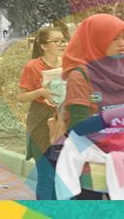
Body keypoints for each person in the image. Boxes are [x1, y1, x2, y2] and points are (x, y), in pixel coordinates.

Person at [47, 14, 124, 199]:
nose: (122, 42)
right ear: (95, 41)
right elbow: (78, 127)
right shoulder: (80, 77)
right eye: (114, 38)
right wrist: (114, 115)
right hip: (90, 150)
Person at [17, 27, 66, 200]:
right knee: (47, 176)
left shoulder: (68, 63)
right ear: (44, 46)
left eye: (63, 40)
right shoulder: (33, 66)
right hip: (40, 123)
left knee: (62, 176)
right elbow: (21, 97)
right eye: (56, 41)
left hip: (65, 121)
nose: (62, 44)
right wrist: (40, 92)